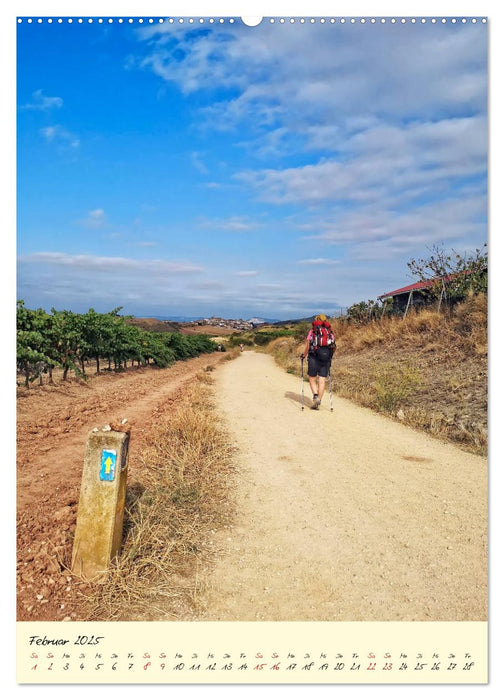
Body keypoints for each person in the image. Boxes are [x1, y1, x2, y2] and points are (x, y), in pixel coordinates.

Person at [300, 314, 336, 410]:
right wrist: (330, 356)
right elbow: (333, 346)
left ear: (316, 321)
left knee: (312, 378)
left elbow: (308, 346)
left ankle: (315, 396)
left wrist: (304, 355)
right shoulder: (330, 332)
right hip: (326, 358)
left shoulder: (312, 331)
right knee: (322, 379)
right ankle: (319, 399)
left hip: (313, 357)